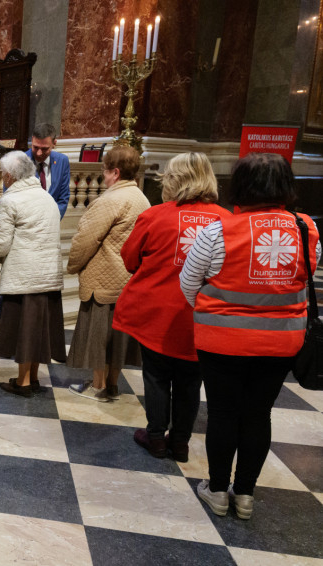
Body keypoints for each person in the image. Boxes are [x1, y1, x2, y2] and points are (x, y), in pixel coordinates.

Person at [181, 153, 319, 520]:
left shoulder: (219, 231)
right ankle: (245, 495)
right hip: (281, 342)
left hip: (222, 341)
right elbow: (306, 275)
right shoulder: (306, 229)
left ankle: (217, 490)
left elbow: (189, 282)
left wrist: (211, 311)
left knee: (223, 413)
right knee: (259, 414)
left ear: (240, 185)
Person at [113, 153, 230, 461]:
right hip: (202, 315)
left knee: (156, 376)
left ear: (173, 180)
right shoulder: (227, 220)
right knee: (191, 381)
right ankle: (180, 443)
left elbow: (129, 259)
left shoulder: (155, 215)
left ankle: (155, 438)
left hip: (158, 314)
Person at [66, 145, 150, 401]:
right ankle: (112, 384)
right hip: (127, 279)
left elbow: (86, 240)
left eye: (104, 170)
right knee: (118, 339)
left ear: (115, 172)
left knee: (99, 336)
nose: (103, 175)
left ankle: (98, 386)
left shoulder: (110, 200)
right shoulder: (142, 199)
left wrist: (73, 265)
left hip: (103, 279)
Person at [0, 151, 66, 397]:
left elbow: (2, 243)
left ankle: (22, 383)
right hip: (48, 275)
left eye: (3, 173)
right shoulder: (46, 197)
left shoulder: (10, 200)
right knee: (38, 331)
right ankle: (32, 377)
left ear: (9, 176)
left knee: (24, 330)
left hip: (24, 276)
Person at [26, 123, 71, 218]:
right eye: (35, 147)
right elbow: (11, 198)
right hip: (26, 222)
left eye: (44, 149)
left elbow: (63, 198)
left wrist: (52, 220)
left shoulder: (62, 161)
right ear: (32, 140)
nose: (39, 153)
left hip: (52, 221)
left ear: (54, 143)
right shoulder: (20, 161)